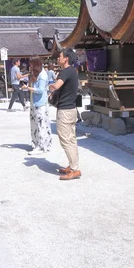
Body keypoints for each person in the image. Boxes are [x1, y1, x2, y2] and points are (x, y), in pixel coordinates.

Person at [49, 48, 82, 180]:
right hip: (72, 109)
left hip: (65, 110)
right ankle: (73, 165)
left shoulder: (66, 71)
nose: (58, 58)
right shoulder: (73, 71)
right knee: (71, 139)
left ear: (66, 58)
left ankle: (74, 169)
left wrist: (50, 86)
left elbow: (57, 86)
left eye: (60, 56)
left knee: (66, 140)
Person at [21, 56, 52, 156]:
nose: (30, 66)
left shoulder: (42, 75)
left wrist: (28, 88)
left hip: (40, 104)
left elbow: (40, 90)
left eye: (31, 64)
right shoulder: (37, 73)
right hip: (35, 103)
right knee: (36, 124)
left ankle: (41, 145)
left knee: (40, 125)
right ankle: (40, 144)